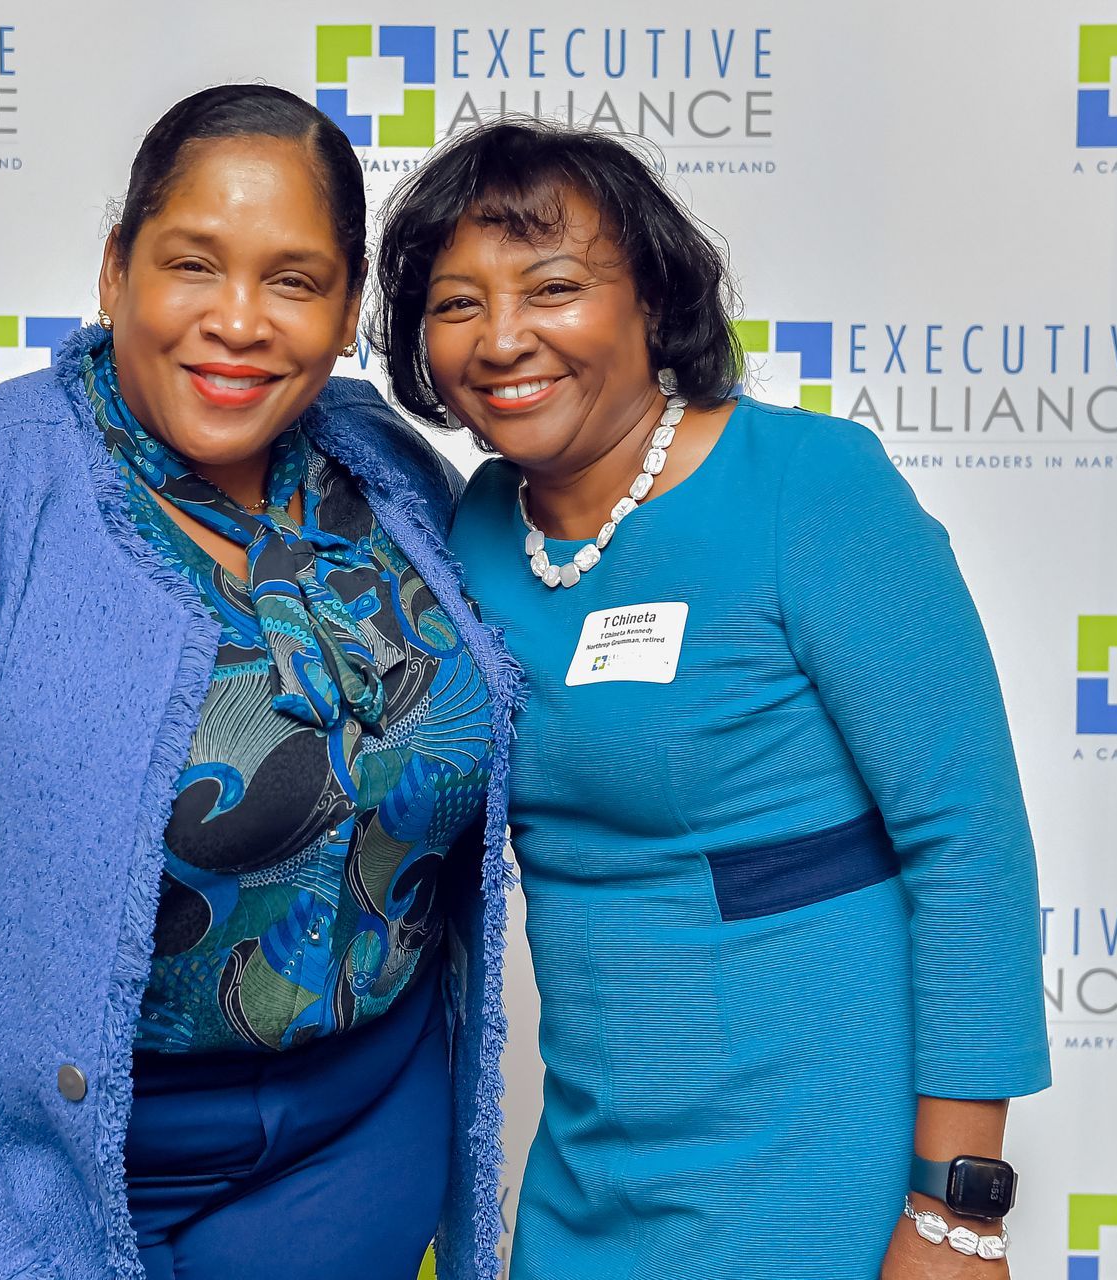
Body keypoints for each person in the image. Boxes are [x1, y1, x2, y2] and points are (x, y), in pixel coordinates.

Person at [0, 85, 518, 1280]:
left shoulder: (392, 475)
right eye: (193, 264)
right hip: (40, 1176)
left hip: (352, 1150)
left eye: (293, 280)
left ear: (347, 304)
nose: (238, 319)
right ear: (114, 271)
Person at [371, 118, 1051, 1279]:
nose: (503, 337)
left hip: (816, 1160)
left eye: (554, 287)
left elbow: (967, 842)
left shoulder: (809, 489)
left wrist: (957, 1210)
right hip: (594, 1166)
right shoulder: (472, 531)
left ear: (652, 295)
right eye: (457, 304)